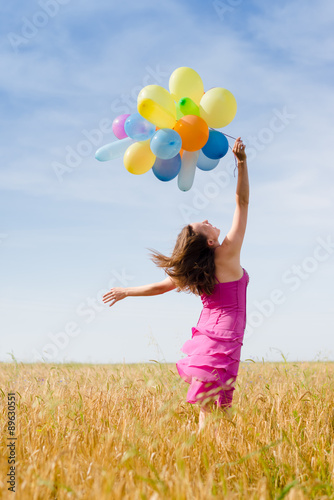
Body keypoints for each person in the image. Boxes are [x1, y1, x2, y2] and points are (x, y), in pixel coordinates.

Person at [102, 137, 249, 432]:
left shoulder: (199, 268)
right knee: (216, 405)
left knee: (214, 404)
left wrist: (126, 291)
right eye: (204, 224)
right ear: (209, 241)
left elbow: (160, 287)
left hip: (209, 334)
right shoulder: (227, 252)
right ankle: (208, 455)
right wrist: (242, 163)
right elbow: (242, 202)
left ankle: (211, 454)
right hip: (225, 335)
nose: (208, 220)